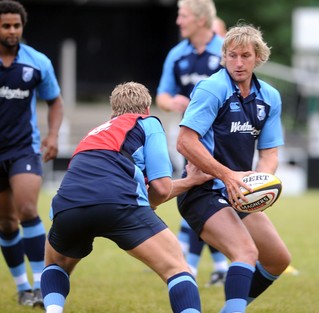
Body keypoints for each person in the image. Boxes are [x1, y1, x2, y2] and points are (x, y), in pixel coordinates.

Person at [40, 81, 210, 313]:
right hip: (119, 202)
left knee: (56, 264)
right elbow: (161, 187)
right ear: (147, 108)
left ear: (113, 110)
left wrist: (189, 182)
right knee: (177, 267)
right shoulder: (147, 123)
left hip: (68, 205)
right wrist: (154, 202)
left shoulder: (95, 133)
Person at [176, 23, 292, 312]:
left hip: (239, 192)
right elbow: (185, 142)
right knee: (245, 252)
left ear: (258, 58)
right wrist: (226, 175)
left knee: (278, 259)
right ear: (224, 57)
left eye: (245, 56)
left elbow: (269, 152)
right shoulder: (212, 88)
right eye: (232, 56)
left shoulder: (269, 97)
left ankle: (232, 307)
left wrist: (263, 180)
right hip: (201, 190)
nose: (238, 63)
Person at [156, 0, 229, 286]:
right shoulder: (177, 54)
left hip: (225, 138)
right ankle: (210, 266)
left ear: (200, 20)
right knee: (201, 194)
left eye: (183, 15)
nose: (178, 21)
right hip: (191, 139)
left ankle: (206, 265)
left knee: (209, 196)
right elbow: (161, 95)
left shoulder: (226, 52)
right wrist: (171, 101)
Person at [0, 0, 64, 308]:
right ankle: (22, 286)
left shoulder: (37, 62)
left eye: (16, 25)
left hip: (24, 147)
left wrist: (52, 135)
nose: (12, 31)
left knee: (27, 209)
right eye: (6, 26)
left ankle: (41, 285)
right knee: (6, 223)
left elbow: (55, 101)